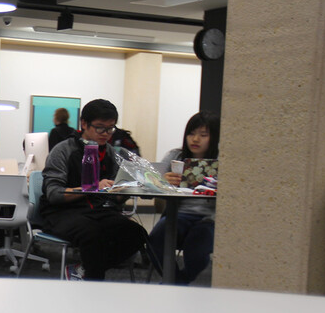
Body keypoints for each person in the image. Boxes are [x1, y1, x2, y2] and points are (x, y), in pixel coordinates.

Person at [34, 98, 148, 281]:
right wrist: (93, 187)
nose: (106, 134)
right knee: (92, 234)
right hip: (62, 212)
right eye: (100, 127)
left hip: (97, 210)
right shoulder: (63, 150)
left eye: (111, 128)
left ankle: (85, 270)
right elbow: (54, 194)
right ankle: (93, 281)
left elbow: (113, 198)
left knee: (137, 233)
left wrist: (125, 190)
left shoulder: (110, 152)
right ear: (84, 124)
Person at [148, 111, 220, 284]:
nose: (195, 139)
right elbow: (150, 179)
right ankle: (175, 282)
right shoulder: (176, 156)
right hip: (177, 214)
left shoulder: (221, 159)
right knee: (155, 241)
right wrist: (163, 181)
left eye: (203, 135)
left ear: (215, 137)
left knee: (197, 249)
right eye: (191, 133)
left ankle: (177, 283)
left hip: (209, 218)